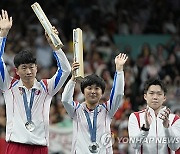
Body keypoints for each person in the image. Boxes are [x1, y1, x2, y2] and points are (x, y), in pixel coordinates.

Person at [0, 10, 71, 154]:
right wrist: (3, 34)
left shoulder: (46, 88)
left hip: (40, 147)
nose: (28, 71)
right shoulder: (8, 85)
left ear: (36, 68)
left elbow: (66, 70)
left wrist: (54, 46)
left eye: (31, 67)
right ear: (16, 70)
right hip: (16, 146)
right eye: (24, 68)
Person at [61, 53, 128, 153]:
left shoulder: (107, 110)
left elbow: (118, 94)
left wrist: (119, 70)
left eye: (97, 88)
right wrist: (73, 79)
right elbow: (65, 100)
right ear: (83, 92)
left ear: (102, 93)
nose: (93, 91)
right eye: (89, 88)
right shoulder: (76, 110)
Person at [128, 78, 180, 154]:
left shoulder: (175, 119)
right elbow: (134, 145)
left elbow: (175, 147)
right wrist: (146, 128)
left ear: (164, 97)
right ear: (145, 96)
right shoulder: (135, 117)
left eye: (159, 94)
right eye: (151, 93)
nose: (155, 97)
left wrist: (167, 127)